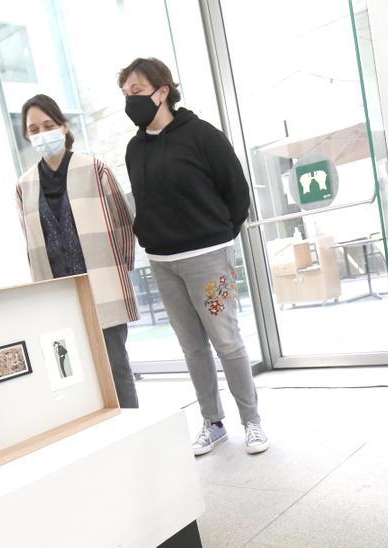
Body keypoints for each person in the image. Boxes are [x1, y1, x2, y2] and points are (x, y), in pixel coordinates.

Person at [118, 57, 268, 455]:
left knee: (226, 340)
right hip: (162, 262)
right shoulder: (134, 150)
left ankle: (251, 421)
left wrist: (220, 234)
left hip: (207, 255)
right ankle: (213, 422)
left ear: (162, 91)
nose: (130, 100)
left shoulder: (201, 135)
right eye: (126, 94)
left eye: (136, 91)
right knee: (192, 346)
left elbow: (236, 190)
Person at [14, 93, 141, 408]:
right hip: (57, 291)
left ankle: (130, 429)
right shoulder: (24, 185)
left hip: (101, 283)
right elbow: (30, 242)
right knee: (72, 371)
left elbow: (123, 221)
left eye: (48, 124)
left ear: (63, 125)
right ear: (27, 136)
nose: (42, 133)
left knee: (116, 366)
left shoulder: (93, 168)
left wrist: (120, 270)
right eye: (34, 129)